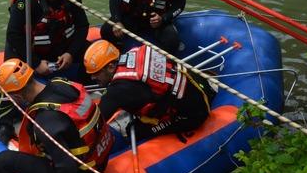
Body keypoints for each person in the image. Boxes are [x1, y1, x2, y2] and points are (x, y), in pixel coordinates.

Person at [0, 59, 113, 173]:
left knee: (2, 161)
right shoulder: (61, 83)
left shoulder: (44, 120)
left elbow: (67, 167)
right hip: (100, 160)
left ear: (16, 96)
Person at [0, 0, 90, 143]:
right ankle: (5, 124)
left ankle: (86, 88)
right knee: (9, 74)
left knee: (89, 53)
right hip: (28, 49)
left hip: (58, 47)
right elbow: (13, 34)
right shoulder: (26, 1)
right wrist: (37, 63)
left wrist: (70, 53)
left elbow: (82, 26)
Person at [83, 39, 215, 141]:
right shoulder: (132, 53)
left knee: (133, 131)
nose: (92, 77)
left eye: (96, 73)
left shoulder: (117, 91)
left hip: (193, 114)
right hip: (195, 86)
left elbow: (97, 122)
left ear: (111, 67)